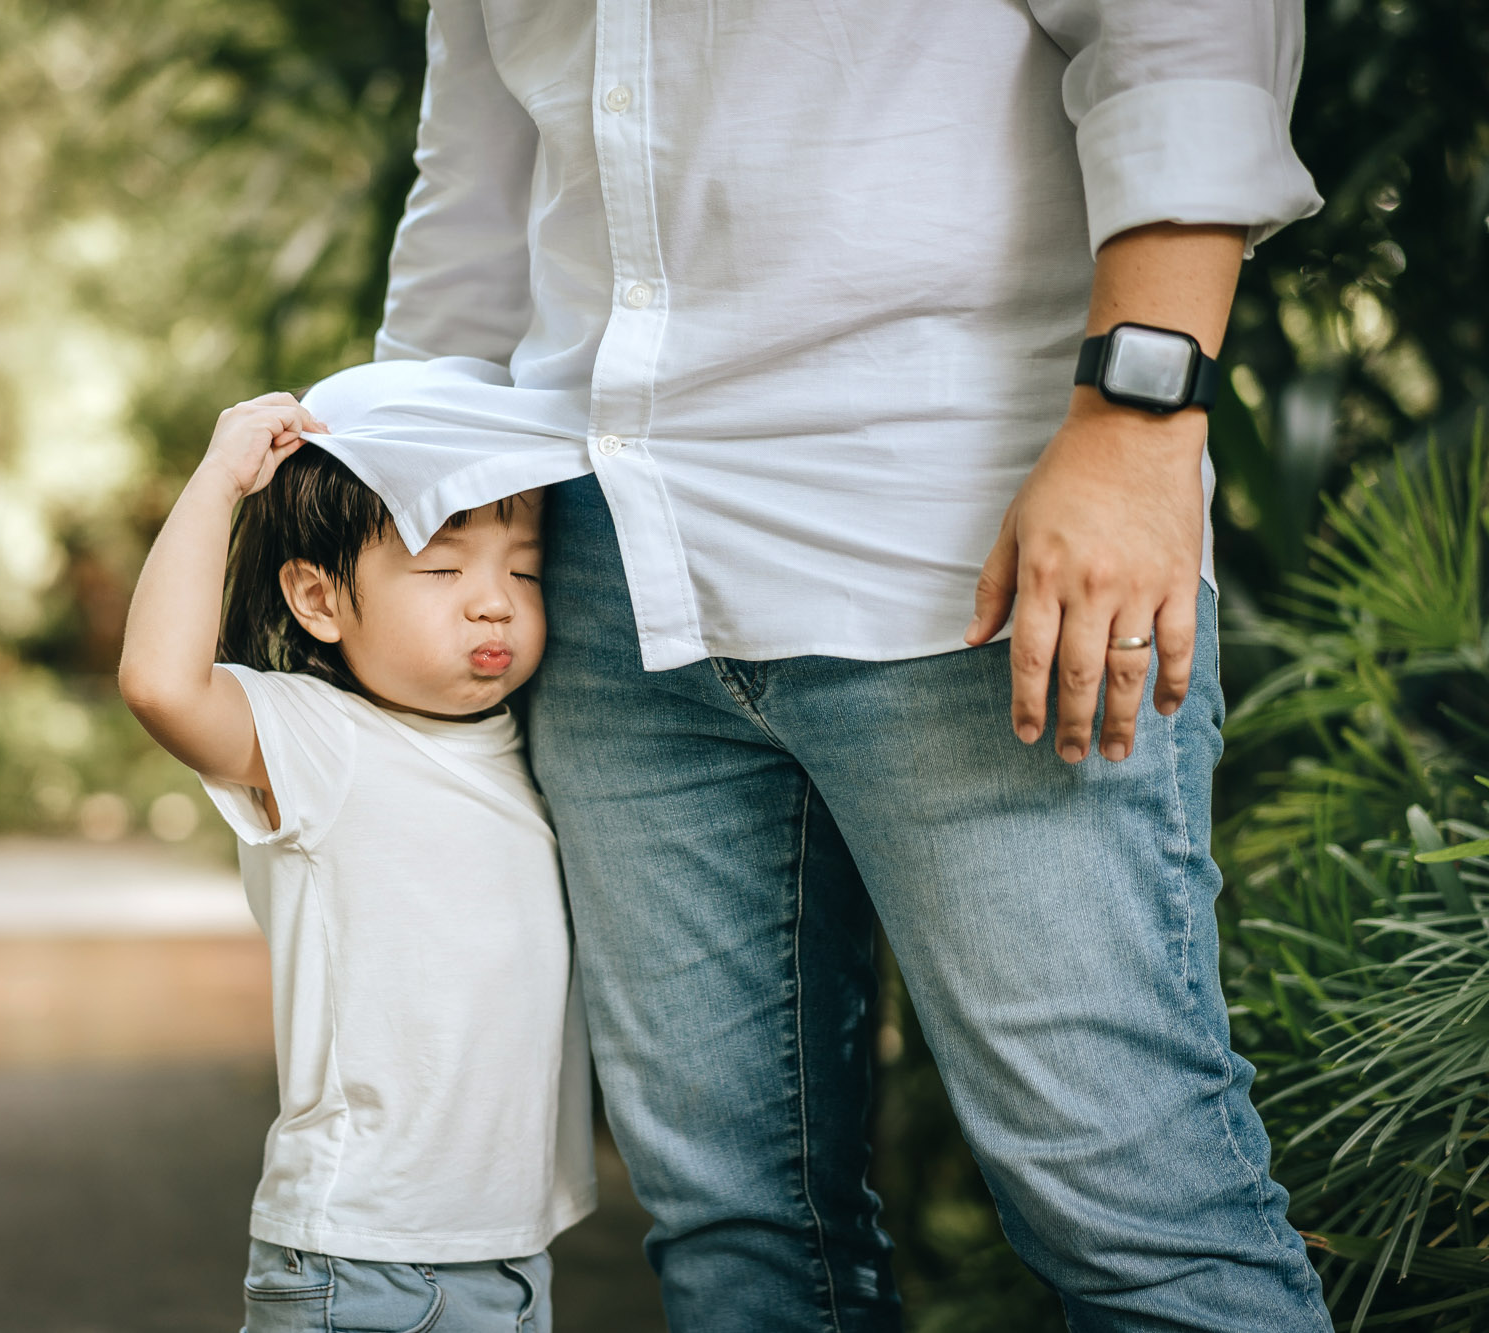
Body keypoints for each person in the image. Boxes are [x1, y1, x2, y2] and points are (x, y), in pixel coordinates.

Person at [321, 1, 1336, 1328]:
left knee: (1139, 1225)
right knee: (734, 1230)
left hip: (967, 545)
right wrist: (390, 530)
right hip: (604, 572)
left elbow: (1184, 37)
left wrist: (1141, 421)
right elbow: (468, 207)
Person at [115, 361, 596, 1333]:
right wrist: (218, 482)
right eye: (441, 567)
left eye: (523, 566)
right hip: (361, 1264)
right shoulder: (315, 739)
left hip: (505, 1260)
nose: (493, 600)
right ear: (319, 598)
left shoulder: (534, 744)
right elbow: (162, 687)